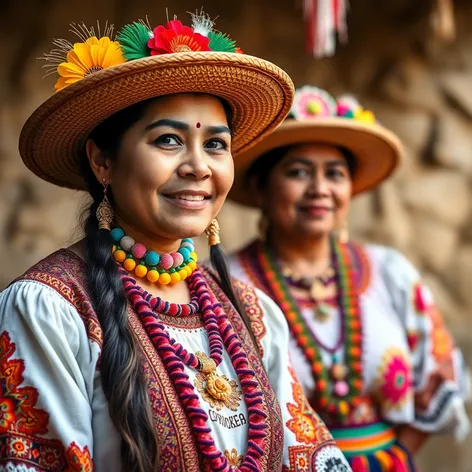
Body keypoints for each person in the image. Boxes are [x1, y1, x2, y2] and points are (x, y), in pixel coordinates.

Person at [0, 18, 351, 472]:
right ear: (102, 161)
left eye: (216, 144)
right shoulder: (50, 310)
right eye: (168, 140)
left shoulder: (252, 312)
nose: (199, 166)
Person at [227, 85, 470, 470]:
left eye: (335, 174)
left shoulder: (391, 273)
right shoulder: (227, 283)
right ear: (260, 186)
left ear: (350, 190)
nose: (319, 189)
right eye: (298, 172)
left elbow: (437, 371)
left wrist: (393, 458)